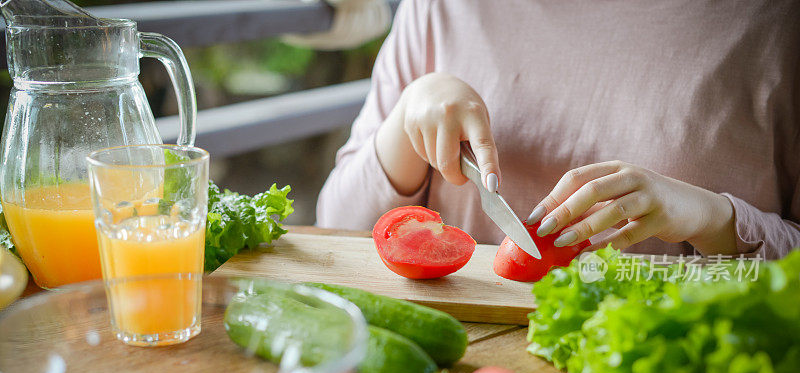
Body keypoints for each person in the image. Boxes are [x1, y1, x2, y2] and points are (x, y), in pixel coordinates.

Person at [316, 0, 800, 259]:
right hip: (452, 363)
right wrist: (405, 121)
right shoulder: (442, 6)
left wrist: (713, 220)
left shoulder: (779, 23)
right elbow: (335, 228)